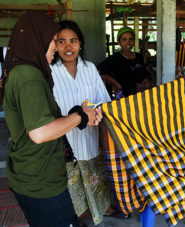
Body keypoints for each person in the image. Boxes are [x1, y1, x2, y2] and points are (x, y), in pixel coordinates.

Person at [0, 13, 102, 227]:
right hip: (40, 179)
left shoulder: (27, 72)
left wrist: (78, 114)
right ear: (37, 39)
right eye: (54, 40)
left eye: (70, 40)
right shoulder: (29, 77)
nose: (56, 47)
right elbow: (40, 132)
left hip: (35, 172)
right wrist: (79, 116)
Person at [50, 20, 127, 225]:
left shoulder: (90, 68)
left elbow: (103, 100)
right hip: (64, 138)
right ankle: (76, 215)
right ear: (54, 45)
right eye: (62, 41)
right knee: (69, 183)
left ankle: (103, 208)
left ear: (80, 44)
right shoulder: (49, 73)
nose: (68, 47)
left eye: (73, 41)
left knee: (96, 176)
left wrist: (99, 115)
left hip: (91, 137)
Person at [98, 26, 153, 98]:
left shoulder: (139, 57)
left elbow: (144, 72)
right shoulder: (115, 58)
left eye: (131, 39)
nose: (128, 42)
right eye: (124, 39)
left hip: (141, 95)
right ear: (119, 42)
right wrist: (116, 84)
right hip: (124, 96)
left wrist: (146, 79)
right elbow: (99, 71)